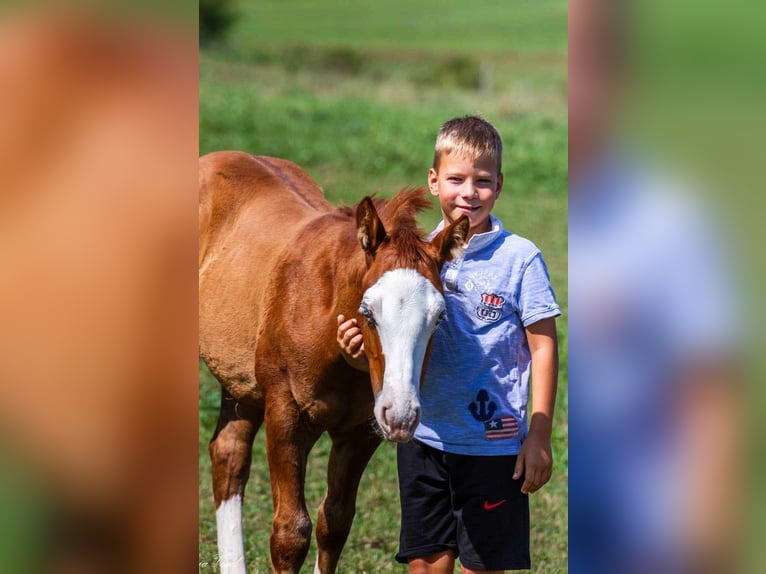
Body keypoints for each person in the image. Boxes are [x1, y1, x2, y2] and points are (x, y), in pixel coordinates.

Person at [337, 115, 561, 573]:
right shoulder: (413, 256)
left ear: (499, 185)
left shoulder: (520, 259)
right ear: (434, 182)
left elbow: (543, 347)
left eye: (482, 181)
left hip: (494, 446)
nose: (468, 192)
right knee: (425, 564)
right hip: (427, 437)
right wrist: (357, 353)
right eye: (456, 179)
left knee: (484, 566)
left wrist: (538, 435)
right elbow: (398, 339)